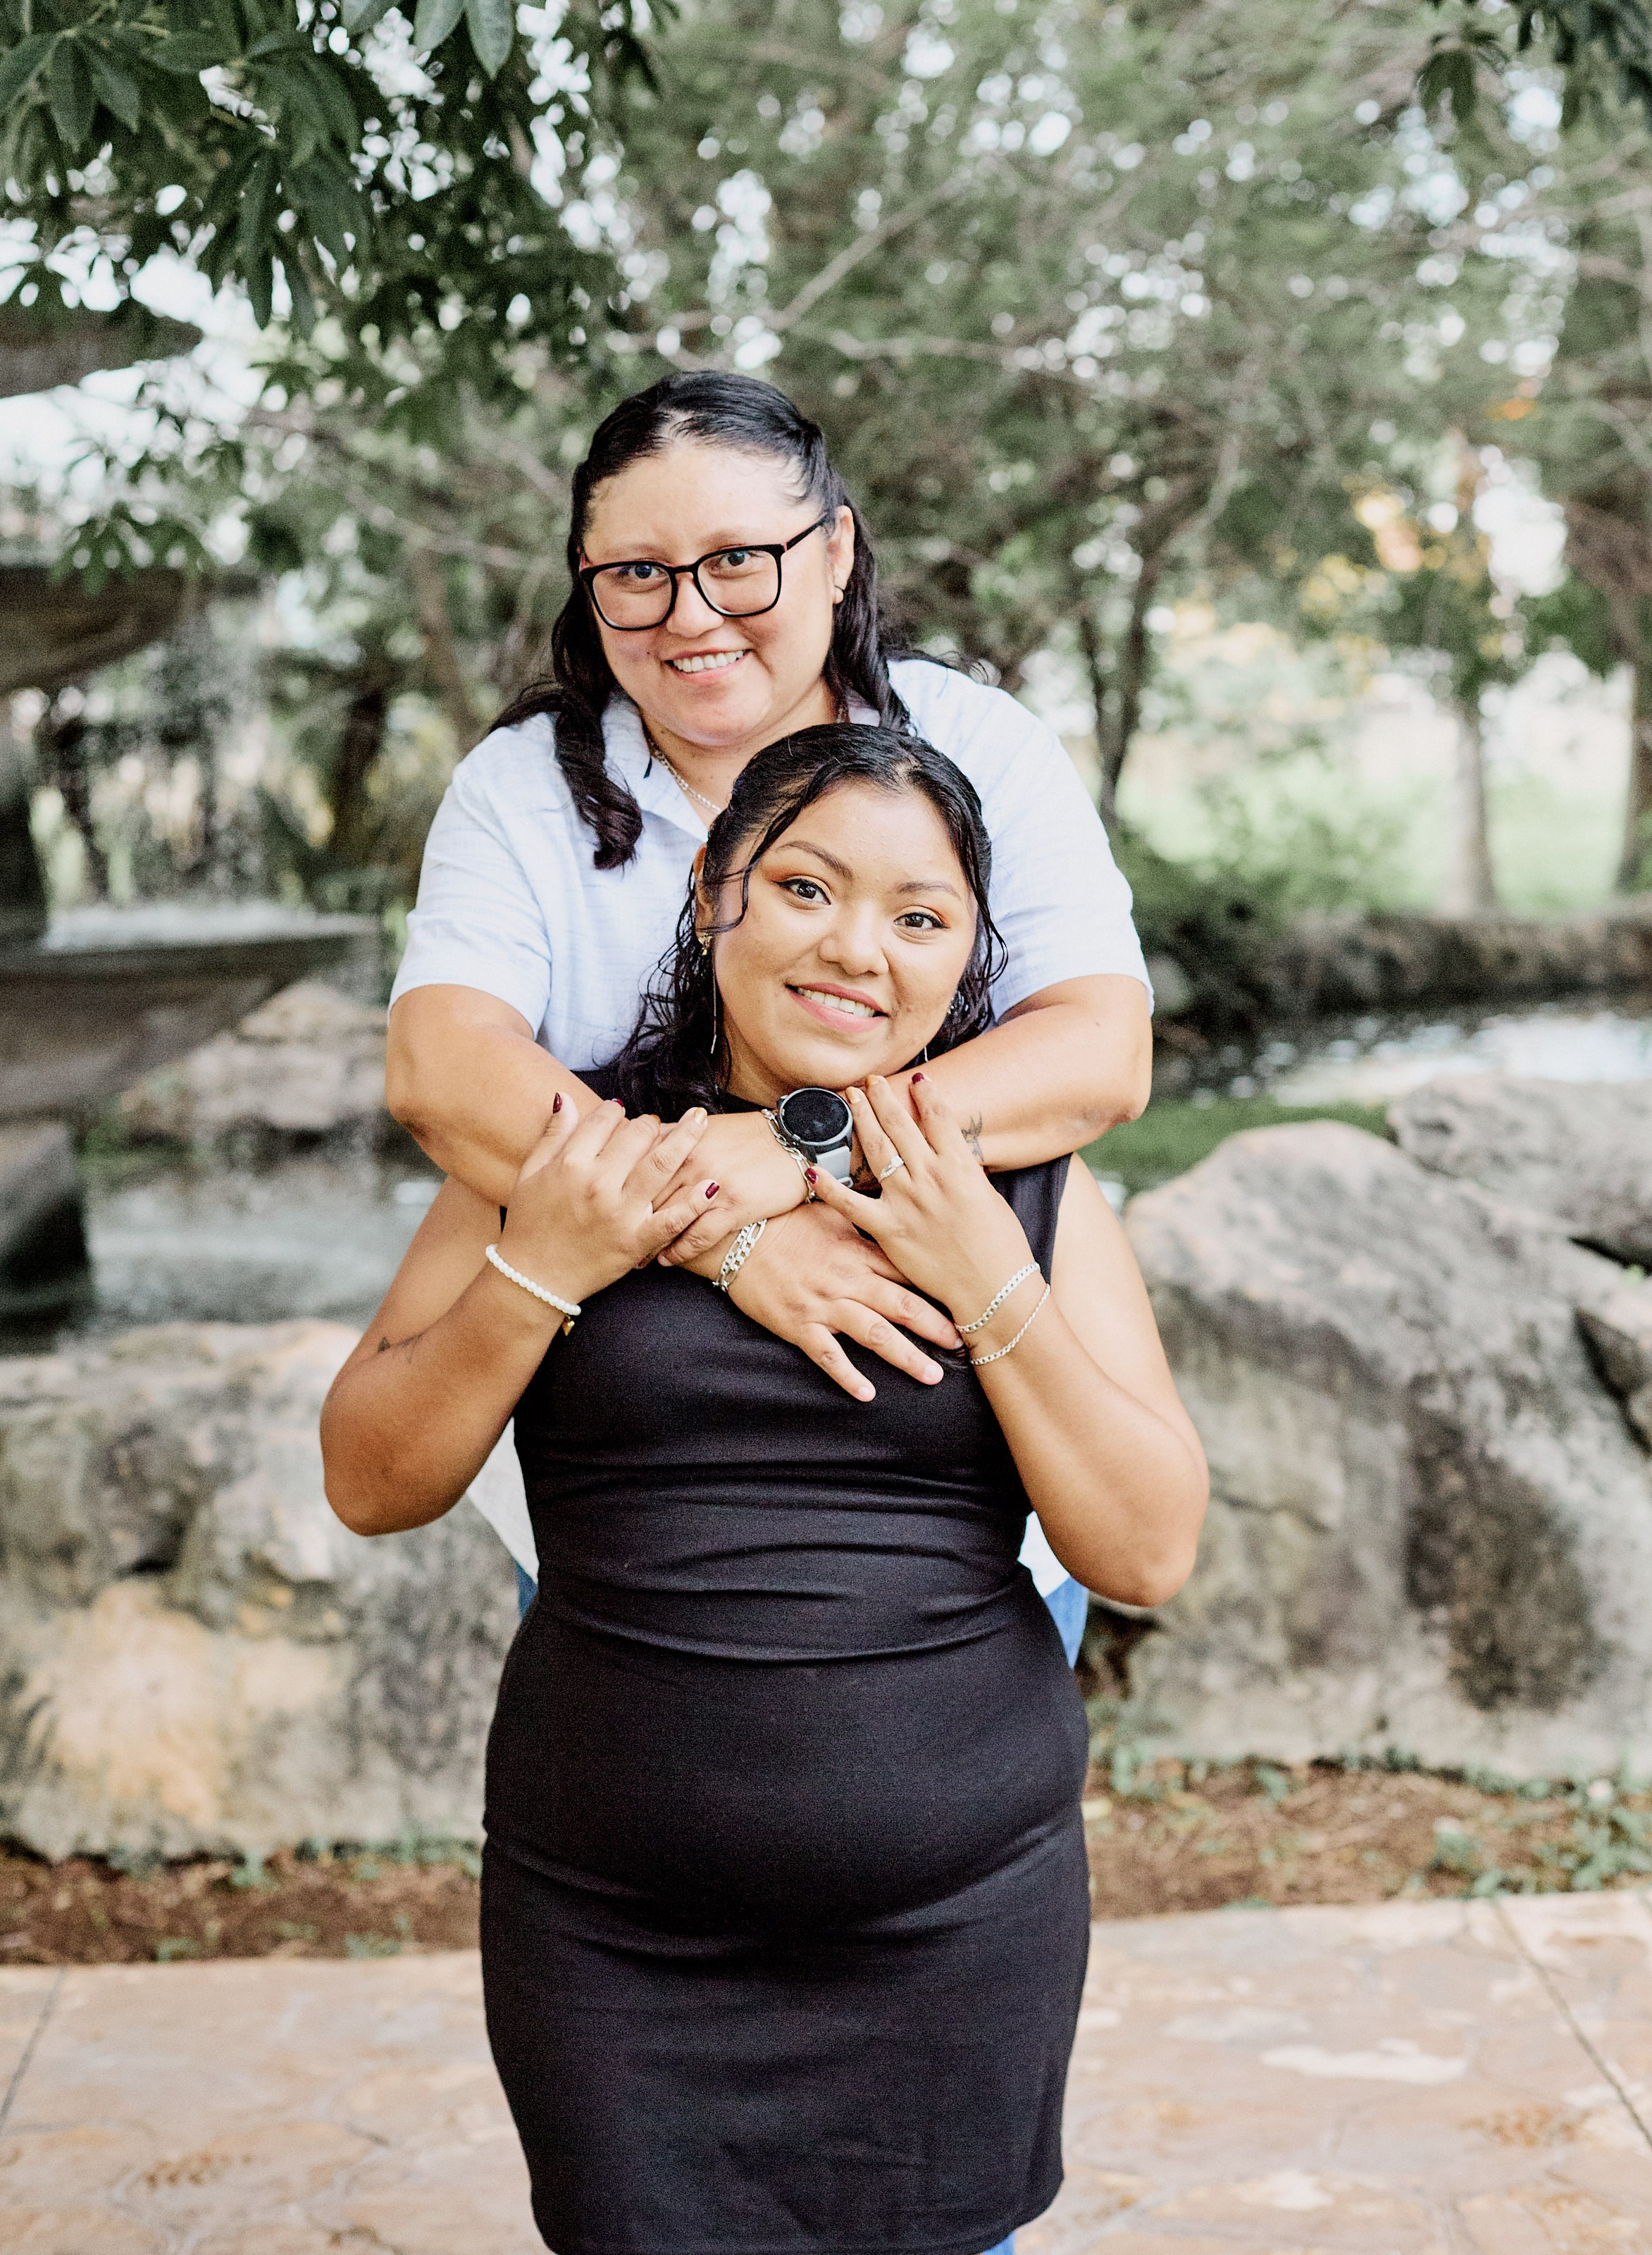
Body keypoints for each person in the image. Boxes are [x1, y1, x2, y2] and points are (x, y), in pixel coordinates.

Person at [322, 724, 1207, 2255]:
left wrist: (989, 1275)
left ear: (966, 960)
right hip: (617, 1936)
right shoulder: (574, 1149)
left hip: (957, 1931)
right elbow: (371, 1477)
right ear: (714, 894)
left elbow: (1145, 1545)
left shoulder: (1028, 1187)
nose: (857, 947)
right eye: (805, 886)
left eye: (921, 917)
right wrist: (555, 1258)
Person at [383, 371, 1153, 1669]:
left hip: (953, 1492)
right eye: (635, 573)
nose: (690, 616)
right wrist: (724, 1233)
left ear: (837, 549)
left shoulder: (971, 745)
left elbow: (1096, 1050)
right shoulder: (523, 788)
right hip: (626, 1516)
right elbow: (442, 1072)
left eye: (739, 561)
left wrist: (803, 1141)